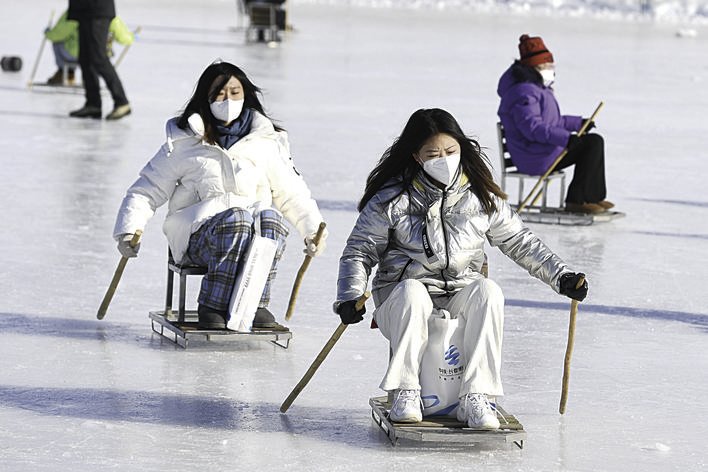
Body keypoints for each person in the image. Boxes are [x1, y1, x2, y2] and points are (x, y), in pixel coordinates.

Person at [334, 108, 587, 429]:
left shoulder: (480, 197)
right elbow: (360, 249)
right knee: (413, 292)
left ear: (461, 149)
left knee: (488, 291)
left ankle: (477, 395)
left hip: (459, 295)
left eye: (450, 151)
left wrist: (561, 276)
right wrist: (350, 295)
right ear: (416, 156)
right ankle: (406, 389)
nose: (444, 159)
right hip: (401, 304)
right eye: (433, 154)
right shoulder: (392, 199)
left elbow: (520, 241)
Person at [113, 61, 327, 331]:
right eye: (220, 94)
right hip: (198, 236)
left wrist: (312, 230)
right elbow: (147, 188)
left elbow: (292, 191)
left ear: (245, 95)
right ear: (207, 97)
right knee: (237, 218)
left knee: (270, 218)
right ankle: (212, 305)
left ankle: (255, 303)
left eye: (235, 93)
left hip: (250, 234)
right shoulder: (185, 141)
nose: (228, 100)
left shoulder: (266, 143)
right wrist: (129, 230)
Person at [497, 34, 613, 214]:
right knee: (591, 144)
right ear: (535, 67)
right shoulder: (523, 93)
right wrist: (566, 139)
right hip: (533, 156)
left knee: (593, 141)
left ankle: (593, 197)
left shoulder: (538, 89)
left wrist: (579, 123)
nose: (551, 69)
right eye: (547, 66)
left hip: (543, 150)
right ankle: (578, 201)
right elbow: (532, 128)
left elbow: (554, 122)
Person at [67, 0, 131, 120]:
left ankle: (121, 101)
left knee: (98, 57)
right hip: (85, 11)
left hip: (97, 10)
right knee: (85, 59)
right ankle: (93, 104)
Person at [43, 9, 134, 86]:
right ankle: (88, 78)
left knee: (58, 42)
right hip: (101, 55)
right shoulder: (110, 14)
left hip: (74, 54)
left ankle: (66, 72)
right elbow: (124, 39)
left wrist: (48, 33)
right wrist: (131, 36)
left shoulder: (75, 11)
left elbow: (57, 35)